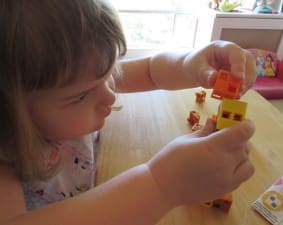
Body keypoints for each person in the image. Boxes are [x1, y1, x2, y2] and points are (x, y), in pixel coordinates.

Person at [0, 0, 257, 224]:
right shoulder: (7, 156)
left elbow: (149, 71)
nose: (111, 95)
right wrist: (162, 185)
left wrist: (192, 63)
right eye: (80, 96)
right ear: (10, 113)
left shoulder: (75, 80)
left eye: (109, 74)